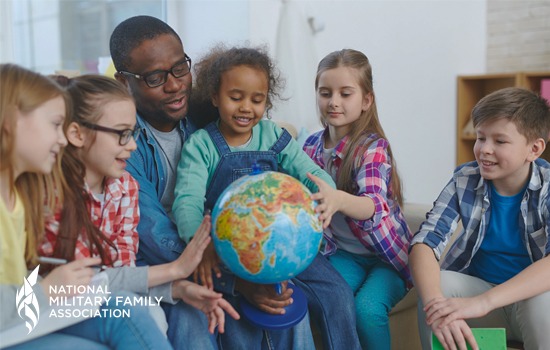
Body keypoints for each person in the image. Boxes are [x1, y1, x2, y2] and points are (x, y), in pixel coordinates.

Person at [110, 15, 360, 350]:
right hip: (182, 258)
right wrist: (236, 278)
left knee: (301, 301)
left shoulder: (200, 115)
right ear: (125, 82)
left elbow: (272, 141)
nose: (174, 85)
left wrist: (325, 195)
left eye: (180, 69)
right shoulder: (124, 145)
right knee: (198, 319)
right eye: (155, 77)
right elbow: (158, 233)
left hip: (245, 238)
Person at [38, 74, 238, 335]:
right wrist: (175, 269)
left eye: (132, 133)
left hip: (105, 299)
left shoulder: (125, 188)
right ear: (77, 134)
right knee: (141, 315)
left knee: (154, 312)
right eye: (121, 134)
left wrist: (176, 288)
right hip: (54, 308)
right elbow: (88, 285)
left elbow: (121, 276)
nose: (132, 146)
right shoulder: (51, 194)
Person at [0, 63, 172, 350]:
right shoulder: (37, 194)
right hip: (21, 318)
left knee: (127, 313)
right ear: (12, 121)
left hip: (20, 320)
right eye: (55, 125)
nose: (61, 137)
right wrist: (44, 291)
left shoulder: (18, 199)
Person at [409, 87, 550, 350]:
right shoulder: (465, 178)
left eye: (500, 141)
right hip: (479, 296)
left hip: (528, 303)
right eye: (480, 137)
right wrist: (435, 304)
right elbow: (424, 244)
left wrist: (485, 301)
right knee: (437, 290)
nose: (484, 149)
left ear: (534, 149)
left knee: (545, 300)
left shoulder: (548, 186)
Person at [301, 49, 412, 349]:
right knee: (330, 300)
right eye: (325, 93)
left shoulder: (372, 147)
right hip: (341, 253)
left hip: (386, 258)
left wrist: (337, 199)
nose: (334, 101)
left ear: (366, 100)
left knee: (367, 310)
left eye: (345, 93)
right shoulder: (309, 146)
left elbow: (372, 205)